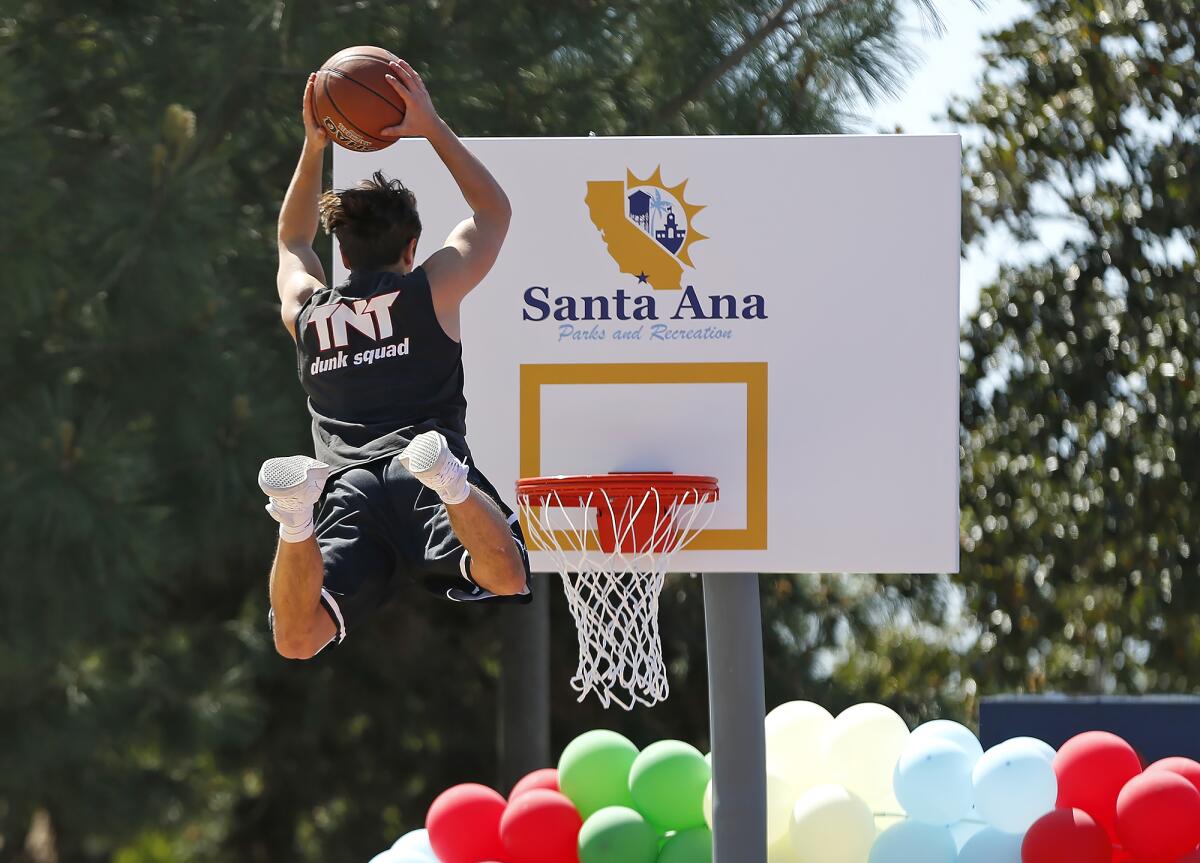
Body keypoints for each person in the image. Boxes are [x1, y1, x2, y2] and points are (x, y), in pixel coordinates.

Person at [259, 58, 530, 660]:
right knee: (506, 575)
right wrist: (430, 126)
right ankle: (451, 483)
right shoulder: (428, 290)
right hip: (417, 465)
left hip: (346, 484)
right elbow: (494, 213)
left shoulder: (307, 310)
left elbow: (292, 240)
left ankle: (294, 519)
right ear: (412, 247)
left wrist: (313, 147)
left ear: (343, 255)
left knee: (297, 639)